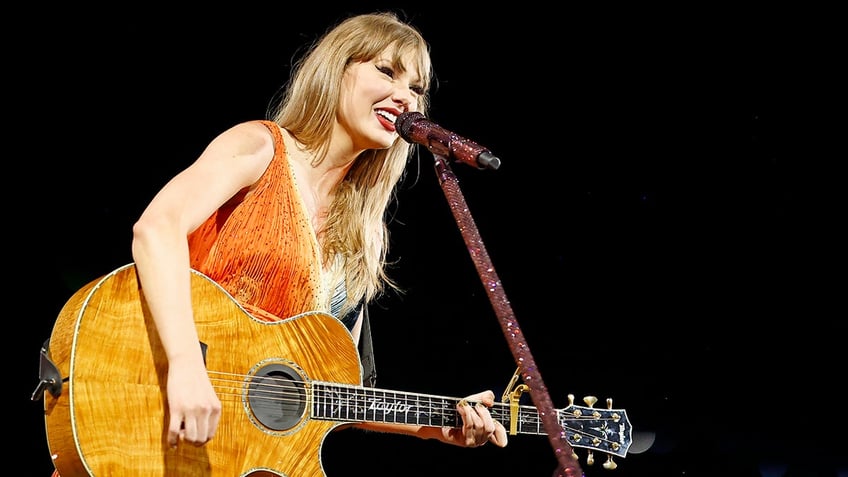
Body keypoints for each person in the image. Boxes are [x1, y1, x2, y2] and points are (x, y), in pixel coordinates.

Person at [49, 10, 507, 477]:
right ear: (335, 70)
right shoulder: (261, 148)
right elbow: (156, 229)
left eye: (417, 88)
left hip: (238, 456)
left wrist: (434, 427)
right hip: (152, 418)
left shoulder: (363, 234)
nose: (404, 97)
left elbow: (325, 392)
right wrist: (187, 366)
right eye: (386, 71)